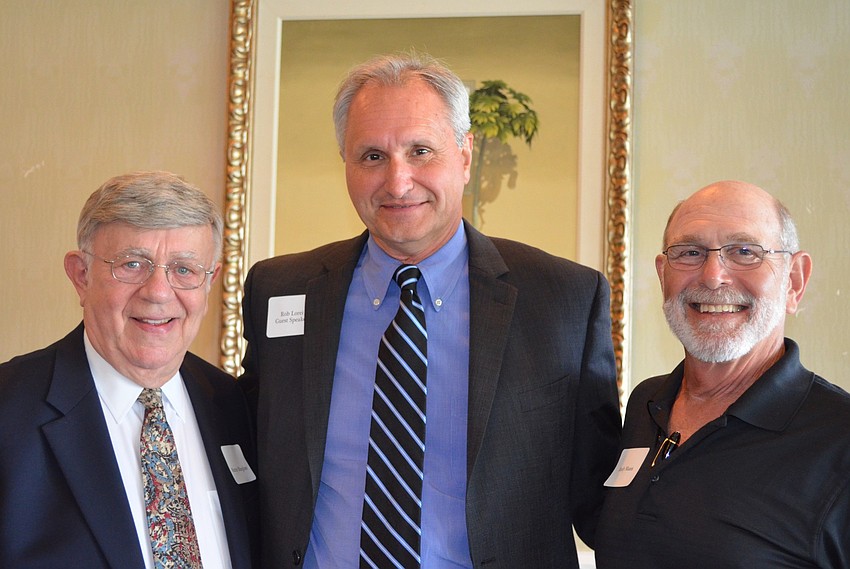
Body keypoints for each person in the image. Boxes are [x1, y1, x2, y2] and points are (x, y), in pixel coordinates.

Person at [239, 52, 622, 568]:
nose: (398, 183)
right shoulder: (279, 289)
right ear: (345, 164)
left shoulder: (563, 300)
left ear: (464, 155)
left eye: (420, 151)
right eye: (372, 156)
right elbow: (242, 458)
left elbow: (605, 500)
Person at [0, 171, 259, 568]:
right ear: (81, 275)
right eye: (133, 264)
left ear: (211, 282)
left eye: (184, 270)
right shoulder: (9, 410)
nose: (158, 292)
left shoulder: (237, 406)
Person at [595, 180, 850, 568]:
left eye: (745, 252)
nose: (713, 276)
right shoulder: (647, 405)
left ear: (794, 281)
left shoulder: (839, 439)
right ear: (663, 275)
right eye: (690, 252)